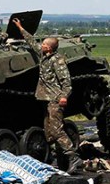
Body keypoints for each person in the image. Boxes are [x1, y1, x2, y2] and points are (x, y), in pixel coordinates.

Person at [11, 18, 83, 173]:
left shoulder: (57, 60)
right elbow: (32, 43)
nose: (41, 45)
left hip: (55, 99)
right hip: (45, 97)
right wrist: (20, 28)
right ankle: (59, 159)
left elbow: (66, 81)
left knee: (57, 130)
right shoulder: (44, 56)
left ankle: (73, 157)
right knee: (49, 132)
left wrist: (64, 96)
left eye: (44, 44)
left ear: (49, 48)